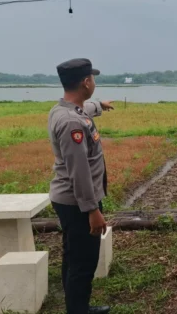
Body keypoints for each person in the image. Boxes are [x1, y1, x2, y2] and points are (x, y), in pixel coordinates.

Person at [48, 58, 114, 314]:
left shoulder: (63, 110)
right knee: (83, 262)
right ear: (86, 82)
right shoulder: (72, 123)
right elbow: (80, 172)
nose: (94, 82)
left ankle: (78, 307)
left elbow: (83, 109)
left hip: (70, 200)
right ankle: (78, 311)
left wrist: (100, 105)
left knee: (73, 256)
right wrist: (92, 210)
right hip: (78, 202)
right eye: (93, 78)